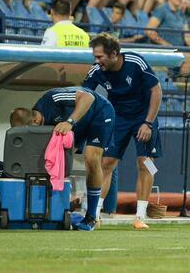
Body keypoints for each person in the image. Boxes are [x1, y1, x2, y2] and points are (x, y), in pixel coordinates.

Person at [83, 33, 162, 231]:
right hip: (118, 117)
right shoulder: (97, 71)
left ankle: (140, 217)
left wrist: (148, 123)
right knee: (106, 162)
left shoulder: (135, 62)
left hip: (144, 117)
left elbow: (156, 90)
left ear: (114, 54)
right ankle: (94, 214)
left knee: (146, 163)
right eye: (95, 56)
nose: (96, 60)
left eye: (100, 56)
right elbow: (83, 94)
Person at [9, 86, 115, 232]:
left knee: (91, 158)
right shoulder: (39, 125)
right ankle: (57, 211)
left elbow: (88, 98)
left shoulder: (53, 98)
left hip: (99, 112)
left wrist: (69, 122)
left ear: (35, 120)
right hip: (79, 125)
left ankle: (91, 216)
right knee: (58, 163)